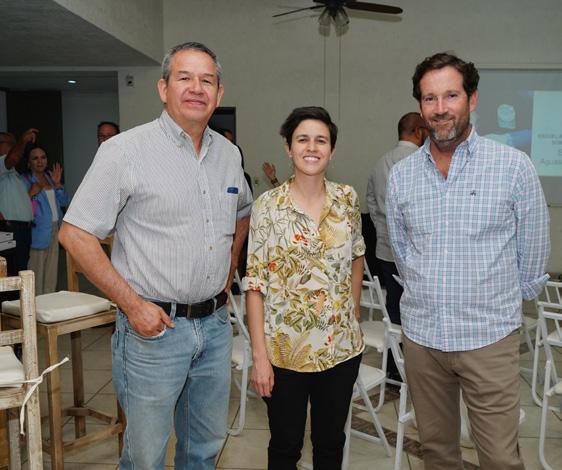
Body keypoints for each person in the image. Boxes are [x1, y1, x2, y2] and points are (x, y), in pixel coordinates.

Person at [58, 42, 252, 470]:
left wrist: (229, 266)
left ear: (219, 94)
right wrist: (132, 306)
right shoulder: (124, 151)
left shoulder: (229, 154)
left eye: (207, 80)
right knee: (145, 457)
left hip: (215, 327)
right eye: (185, 77)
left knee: (203, 449)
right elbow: (75, 234)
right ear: (163, 88)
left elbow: (242, 212)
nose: (197, 88)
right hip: (154, 332)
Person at [386, 52, 550, 469]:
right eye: (430, 98)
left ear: (472, 99)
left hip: (488, 340)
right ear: (420, 105)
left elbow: (533, 259)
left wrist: (493, 304)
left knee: (500, 458)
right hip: (423, 339)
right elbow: (403, 254)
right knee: (438, 453)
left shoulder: (512, 167)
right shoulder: (402, 176)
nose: (440, 108)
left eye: (451, 96)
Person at [244, 106, 365, 469]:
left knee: (330, 445)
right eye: (302, 139)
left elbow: (356, 256)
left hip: (340, 351)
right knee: (285, 447)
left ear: (332, 149)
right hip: (285, 353)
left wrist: (353, 314)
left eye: (321, 140)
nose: (312, 147)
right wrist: (259, 356)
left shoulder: (347, 199)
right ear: (288, 147)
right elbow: (254, 284)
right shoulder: (268, 206)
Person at [366, 112, 426, 325]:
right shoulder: (423, 162)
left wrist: (382, 226)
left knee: (393, 302)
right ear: (419, 132)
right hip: (416, 252)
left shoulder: (380, 162)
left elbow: (371, 200)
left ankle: (393, 345)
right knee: (417, 307)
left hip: (385, 247)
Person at [23, 146, 69, 294]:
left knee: (51, 272)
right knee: (36, 273)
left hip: (54, 228)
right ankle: (34, 305)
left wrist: (58, 184)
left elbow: (64, 202)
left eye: (43, 157)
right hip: (37, 231)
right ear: (28, 162)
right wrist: (31, 193)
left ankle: (49, 301)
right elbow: (19, 208)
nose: (40, 161)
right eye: (35, 158)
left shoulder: (50, 178)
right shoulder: (25, 180)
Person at [0, 129, 38, 277]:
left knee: (20, 270)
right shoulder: (2, 164)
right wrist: (23, 141)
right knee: (11, 273)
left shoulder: (14, 173)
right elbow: (12, 158)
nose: (15, 147)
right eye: (11, 144)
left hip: (21, 229)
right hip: (9, 228)